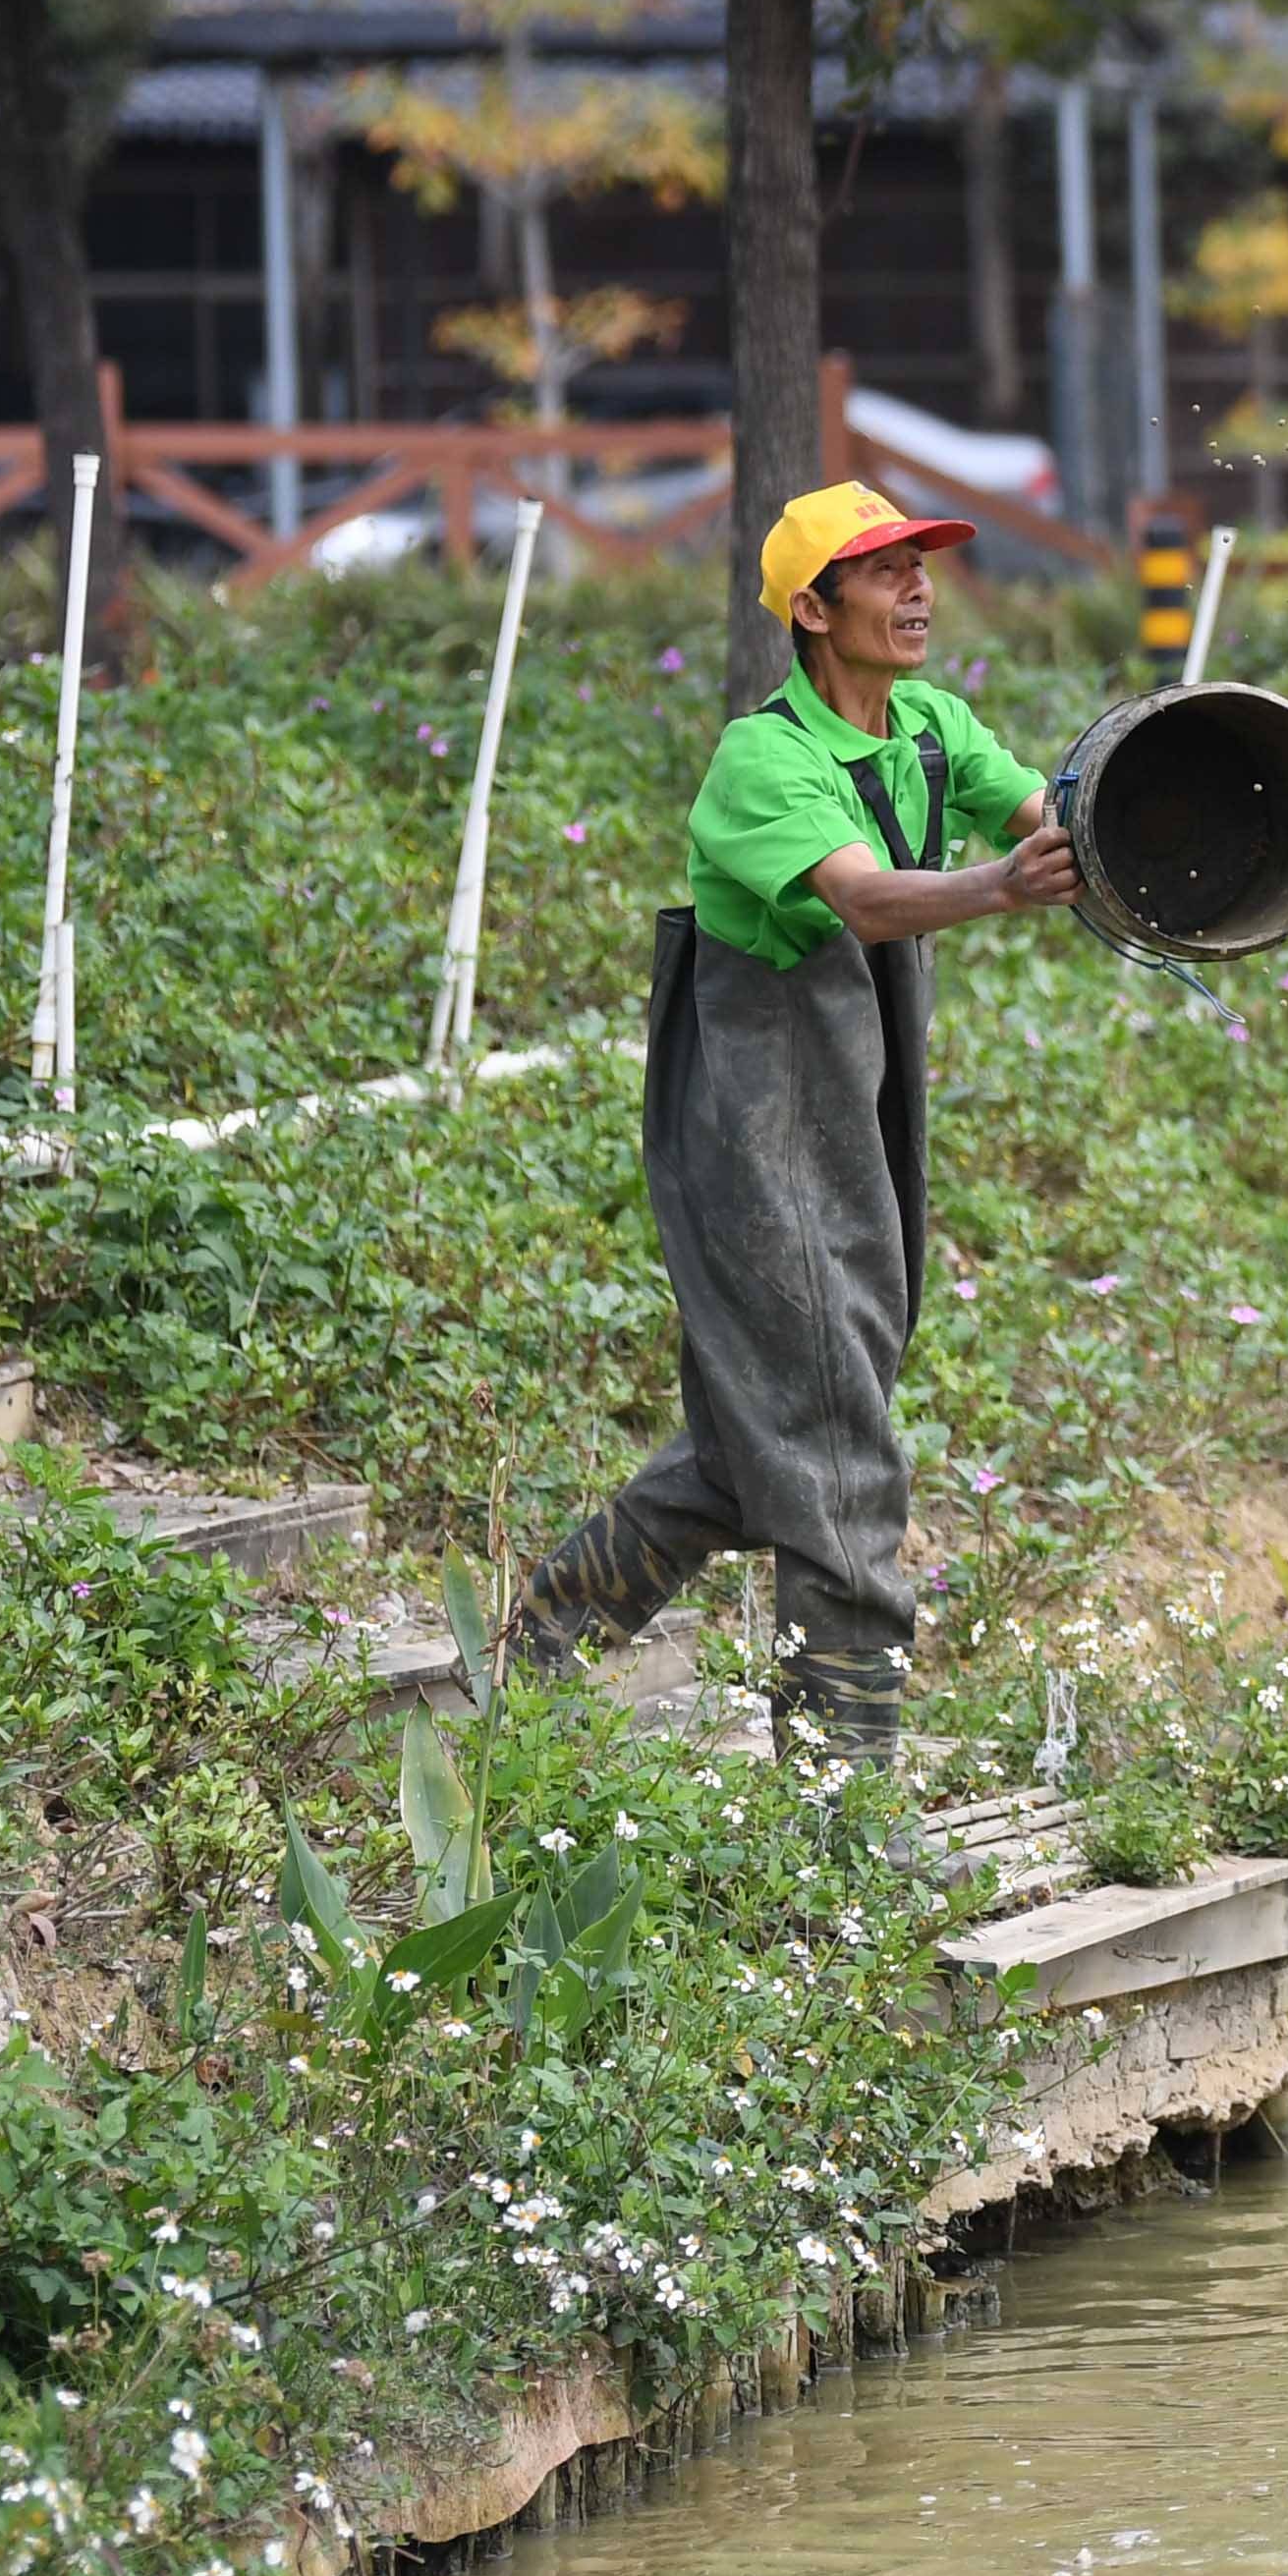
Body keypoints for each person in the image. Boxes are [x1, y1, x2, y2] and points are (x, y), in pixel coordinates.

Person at [506, 481, 1078, 1763]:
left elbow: (1044, 812)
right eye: (884, 573)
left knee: (750, 1443)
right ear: (812, 610)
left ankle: (543, 1646)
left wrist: (1113, 838)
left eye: (923, 564)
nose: (919, 588)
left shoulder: (929, 728)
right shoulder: (764, 759)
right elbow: (867, 902)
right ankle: (843, 1796)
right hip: (754, 1106)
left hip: (862, 1096)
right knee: (833, 1438)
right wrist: (1000, 885)